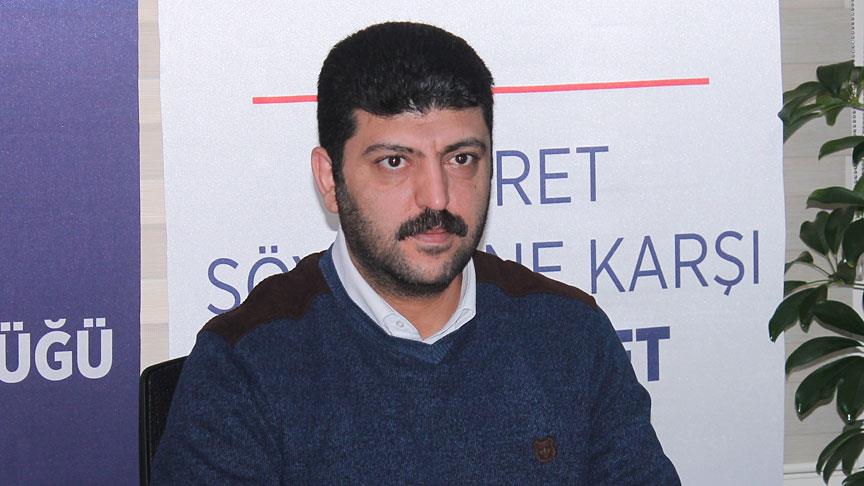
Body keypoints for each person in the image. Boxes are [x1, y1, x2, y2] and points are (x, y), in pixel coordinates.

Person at [152, 21, 679, 484]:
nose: (437, 198)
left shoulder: (569, 333)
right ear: (330, 180)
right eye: (395, 162)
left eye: (461, 158)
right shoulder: (246, 364)